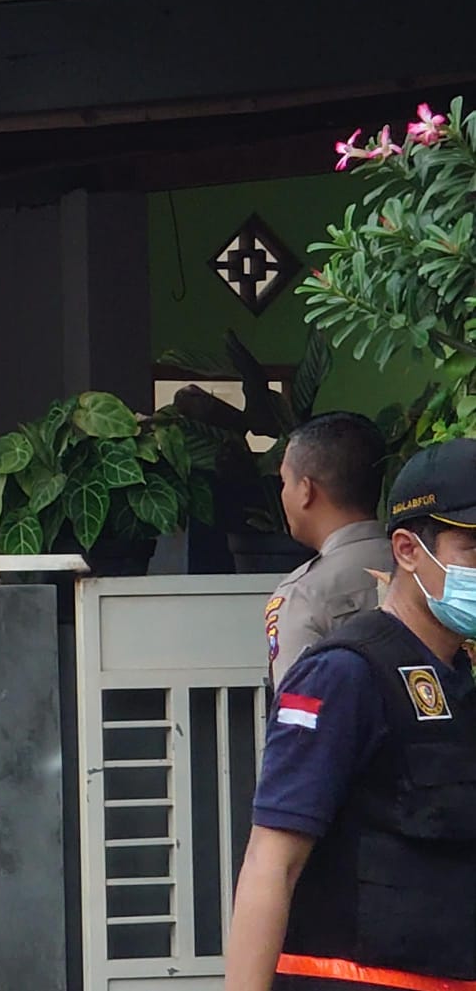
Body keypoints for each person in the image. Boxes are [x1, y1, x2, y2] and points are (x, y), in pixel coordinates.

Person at [226, 438, 476, 991]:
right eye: (473, 549)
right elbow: (273, 862)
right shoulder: (344, 674)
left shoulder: (461, 674)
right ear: (408, 550)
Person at [266, 412, 391, 689]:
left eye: (285, 482)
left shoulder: (304, 594)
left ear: (306, 490)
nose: (282, 493)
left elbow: (299, 721)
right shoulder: (424, 566)